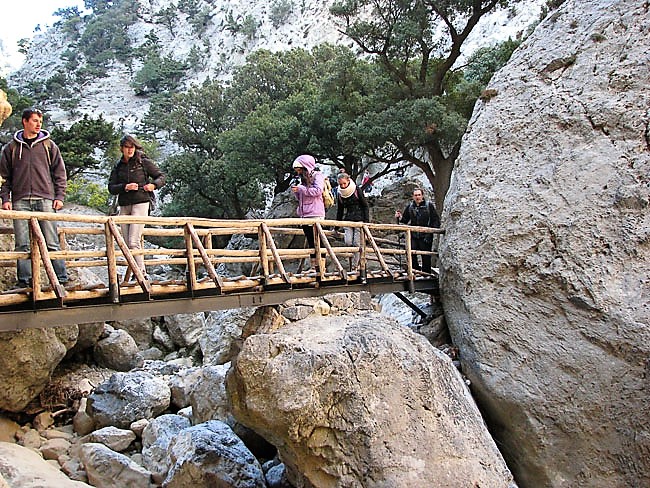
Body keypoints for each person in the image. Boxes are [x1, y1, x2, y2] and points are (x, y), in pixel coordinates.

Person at [0, 108, 68, 288]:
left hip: (45, 198)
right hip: (20, 200)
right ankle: (24, 281)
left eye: (40, 121)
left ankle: (61, 279)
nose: (38, 125)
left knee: (51, 241)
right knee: (22, 243)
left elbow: (60, 173)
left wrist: (59, 196)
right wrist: (5, 198)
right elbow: (4, 177)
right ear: (25, 121)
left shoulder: (49, 146)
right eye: (35, 121)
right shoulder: (11, 148)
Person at [108, 135, 165, 279]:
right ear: (121, 149)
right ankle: (136, 272)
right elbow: (111, 187)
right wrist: (125, 187)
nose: (130, 150)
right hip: (124, 205)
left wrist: (153, 185)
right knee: (127, 243)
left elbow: (161, 176)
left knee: (134, 241)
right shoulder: (118, 166)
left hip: (141, 202)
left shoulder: (143, 162)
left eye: (132, 147)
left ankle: (141, 274)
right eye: (127, 147)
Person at [291, 154, 325, 271]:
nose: (298, 172)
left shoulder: (317, 176)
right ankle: (314, 266)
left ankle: (321, 266)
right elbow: (301, 197)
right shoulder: (302, 180)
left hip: (315, 213)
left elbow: (318, 191)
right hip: (304, 214)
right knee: (311, 241)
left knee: (318, 241)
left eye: (299, 169)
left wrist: (301, 188)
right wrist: (296, 191)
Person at [395, 187, 440, 274]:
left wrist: (432, 232)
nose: (417, 197)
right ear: (413, 197)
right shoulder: (410, 206)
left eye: (419, 195)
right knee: (411, 254)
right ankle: (415, 271)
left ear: (422, 196)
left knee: (426, 256)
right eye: (415, 195)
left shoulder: (429, 206)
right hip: (414, 235)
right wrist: (399, 217)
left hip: (426, 235)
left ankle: (426, 274)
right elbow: (405, 219)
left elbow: (435, 219)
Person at [336, 173, 369, 270]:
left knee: (357, 243)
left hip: (359, 219)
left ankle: (355, 266)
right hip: (348, 219)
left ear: (348, 181)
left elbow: (365, 205)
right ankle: (353, 263)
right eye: (341, 184)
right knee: (348, 242)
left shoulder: (356, 189)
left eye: (344, 183)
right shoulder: (340, 193)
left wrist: (366, 222)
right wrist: (336, 227)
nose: (343, 186)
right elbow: (340, 210)